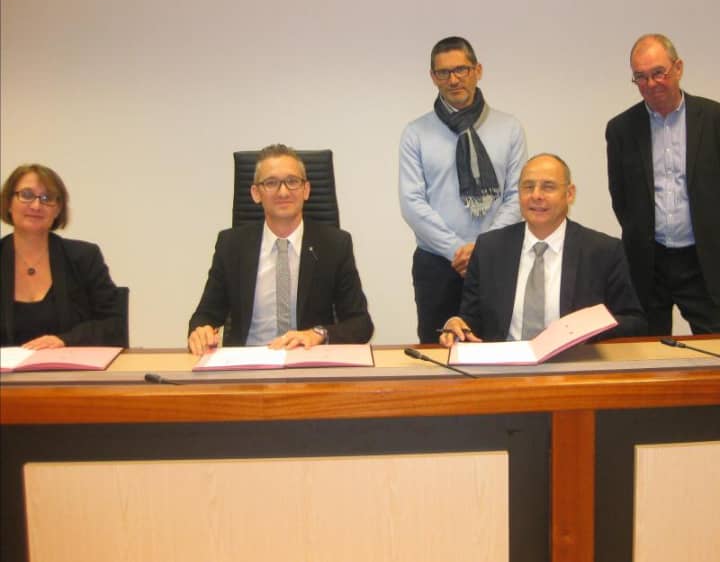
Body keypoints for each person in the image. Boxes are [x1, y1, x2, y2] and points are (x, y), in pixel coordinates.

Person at [399, 36, 528, 343]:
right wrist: (456, 250)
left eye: (461, 69)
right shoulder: (416, 133)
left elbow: (516, 196)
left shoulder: (509, 128)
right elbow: (412, 202)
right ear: (433, 77)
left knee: (496, 348)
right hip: (437, 264)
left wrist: (483, 250)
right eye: (443, 72)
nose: (453, 79)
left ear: (477, 70)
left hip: (496, 261)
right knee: (438, 353)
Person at [440, 154, 646, 346]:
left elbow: (634, 322)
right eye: (528, 187)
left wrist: (587, 329)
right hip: (504, 365)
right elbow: (471, 319)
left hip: (574, 363)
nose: (536, 195)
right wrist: (456, 324)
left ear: (569, 194)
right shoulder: (489, 248)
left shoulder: (603, 251)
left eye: (548, 187)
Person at [188, 144, 374, 354]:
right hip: (248, 363)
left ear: (306, 190)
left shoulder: (335, 245)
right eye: (271, 183)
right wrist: (200, 331)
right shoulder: (231, 245)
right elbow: (204, 315)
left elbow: (361, 324)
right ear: (256, 193)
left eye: (292, 181)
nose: (283, 192)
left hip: (309, 358)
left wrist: (317, 334)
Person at [606, 33, 720, 335]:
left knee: (714, 344)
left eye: (659, 73)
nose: (651, 83)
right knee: (647, 348)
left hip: (705, 259)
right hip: (648, 262)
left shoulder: (713, 119)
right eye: (640, 77)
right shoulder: (620, 129)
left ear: (678, 68)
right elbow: (620, 197)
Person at [0, 163, 123, 347]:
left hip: (68, 365)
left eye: (47, 198)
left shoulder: (84, 258)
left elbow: (114, 325)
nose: (36, 205)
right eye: (26, 195)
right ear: (8, 203)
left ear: (57, 209)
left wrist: (65, 340)